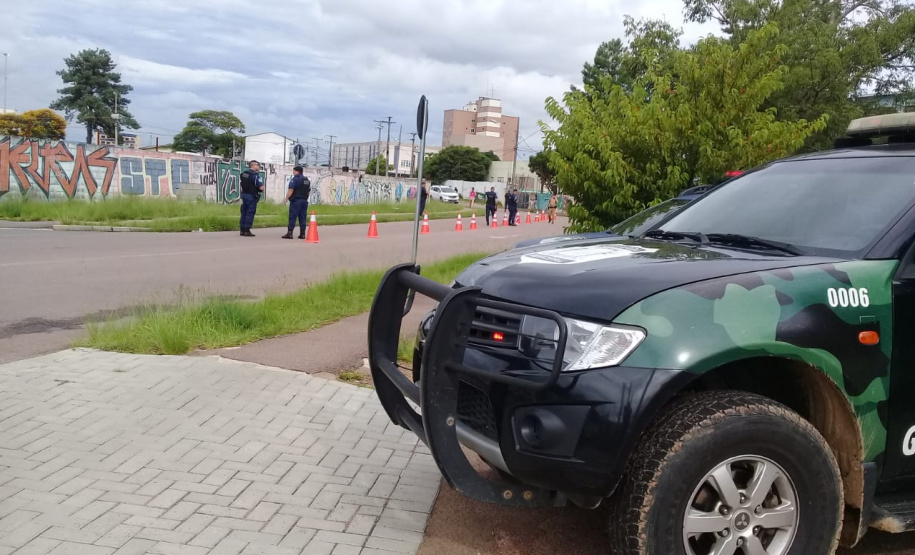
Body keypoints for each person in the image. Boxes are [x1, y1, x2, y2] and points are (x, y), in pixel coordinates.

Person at [282, 166, 310, 239]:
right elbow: (308, 192)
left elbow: (291, 190)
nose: (293, 172)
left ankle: (290, 233)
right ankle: (302, 234)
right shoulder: (307, 180)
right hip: (304, 201)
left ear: (297, 171)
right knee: (303, 217)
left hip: (296, 201)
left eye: (294, 171)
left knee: (292, 216)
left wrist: (286, 198)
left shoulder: (296, 179)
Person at [239, 160, 264, 237]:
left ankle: (242, 230)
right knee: (250, 213)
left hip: (244, 195)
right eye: (257, 165)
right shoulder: (255, 175)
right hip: (252, 196)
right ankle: (247, 230)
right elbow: (261, 187)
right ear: (253, 165)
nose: (258, 167)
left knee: (244, 212)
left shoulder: (243, 174)